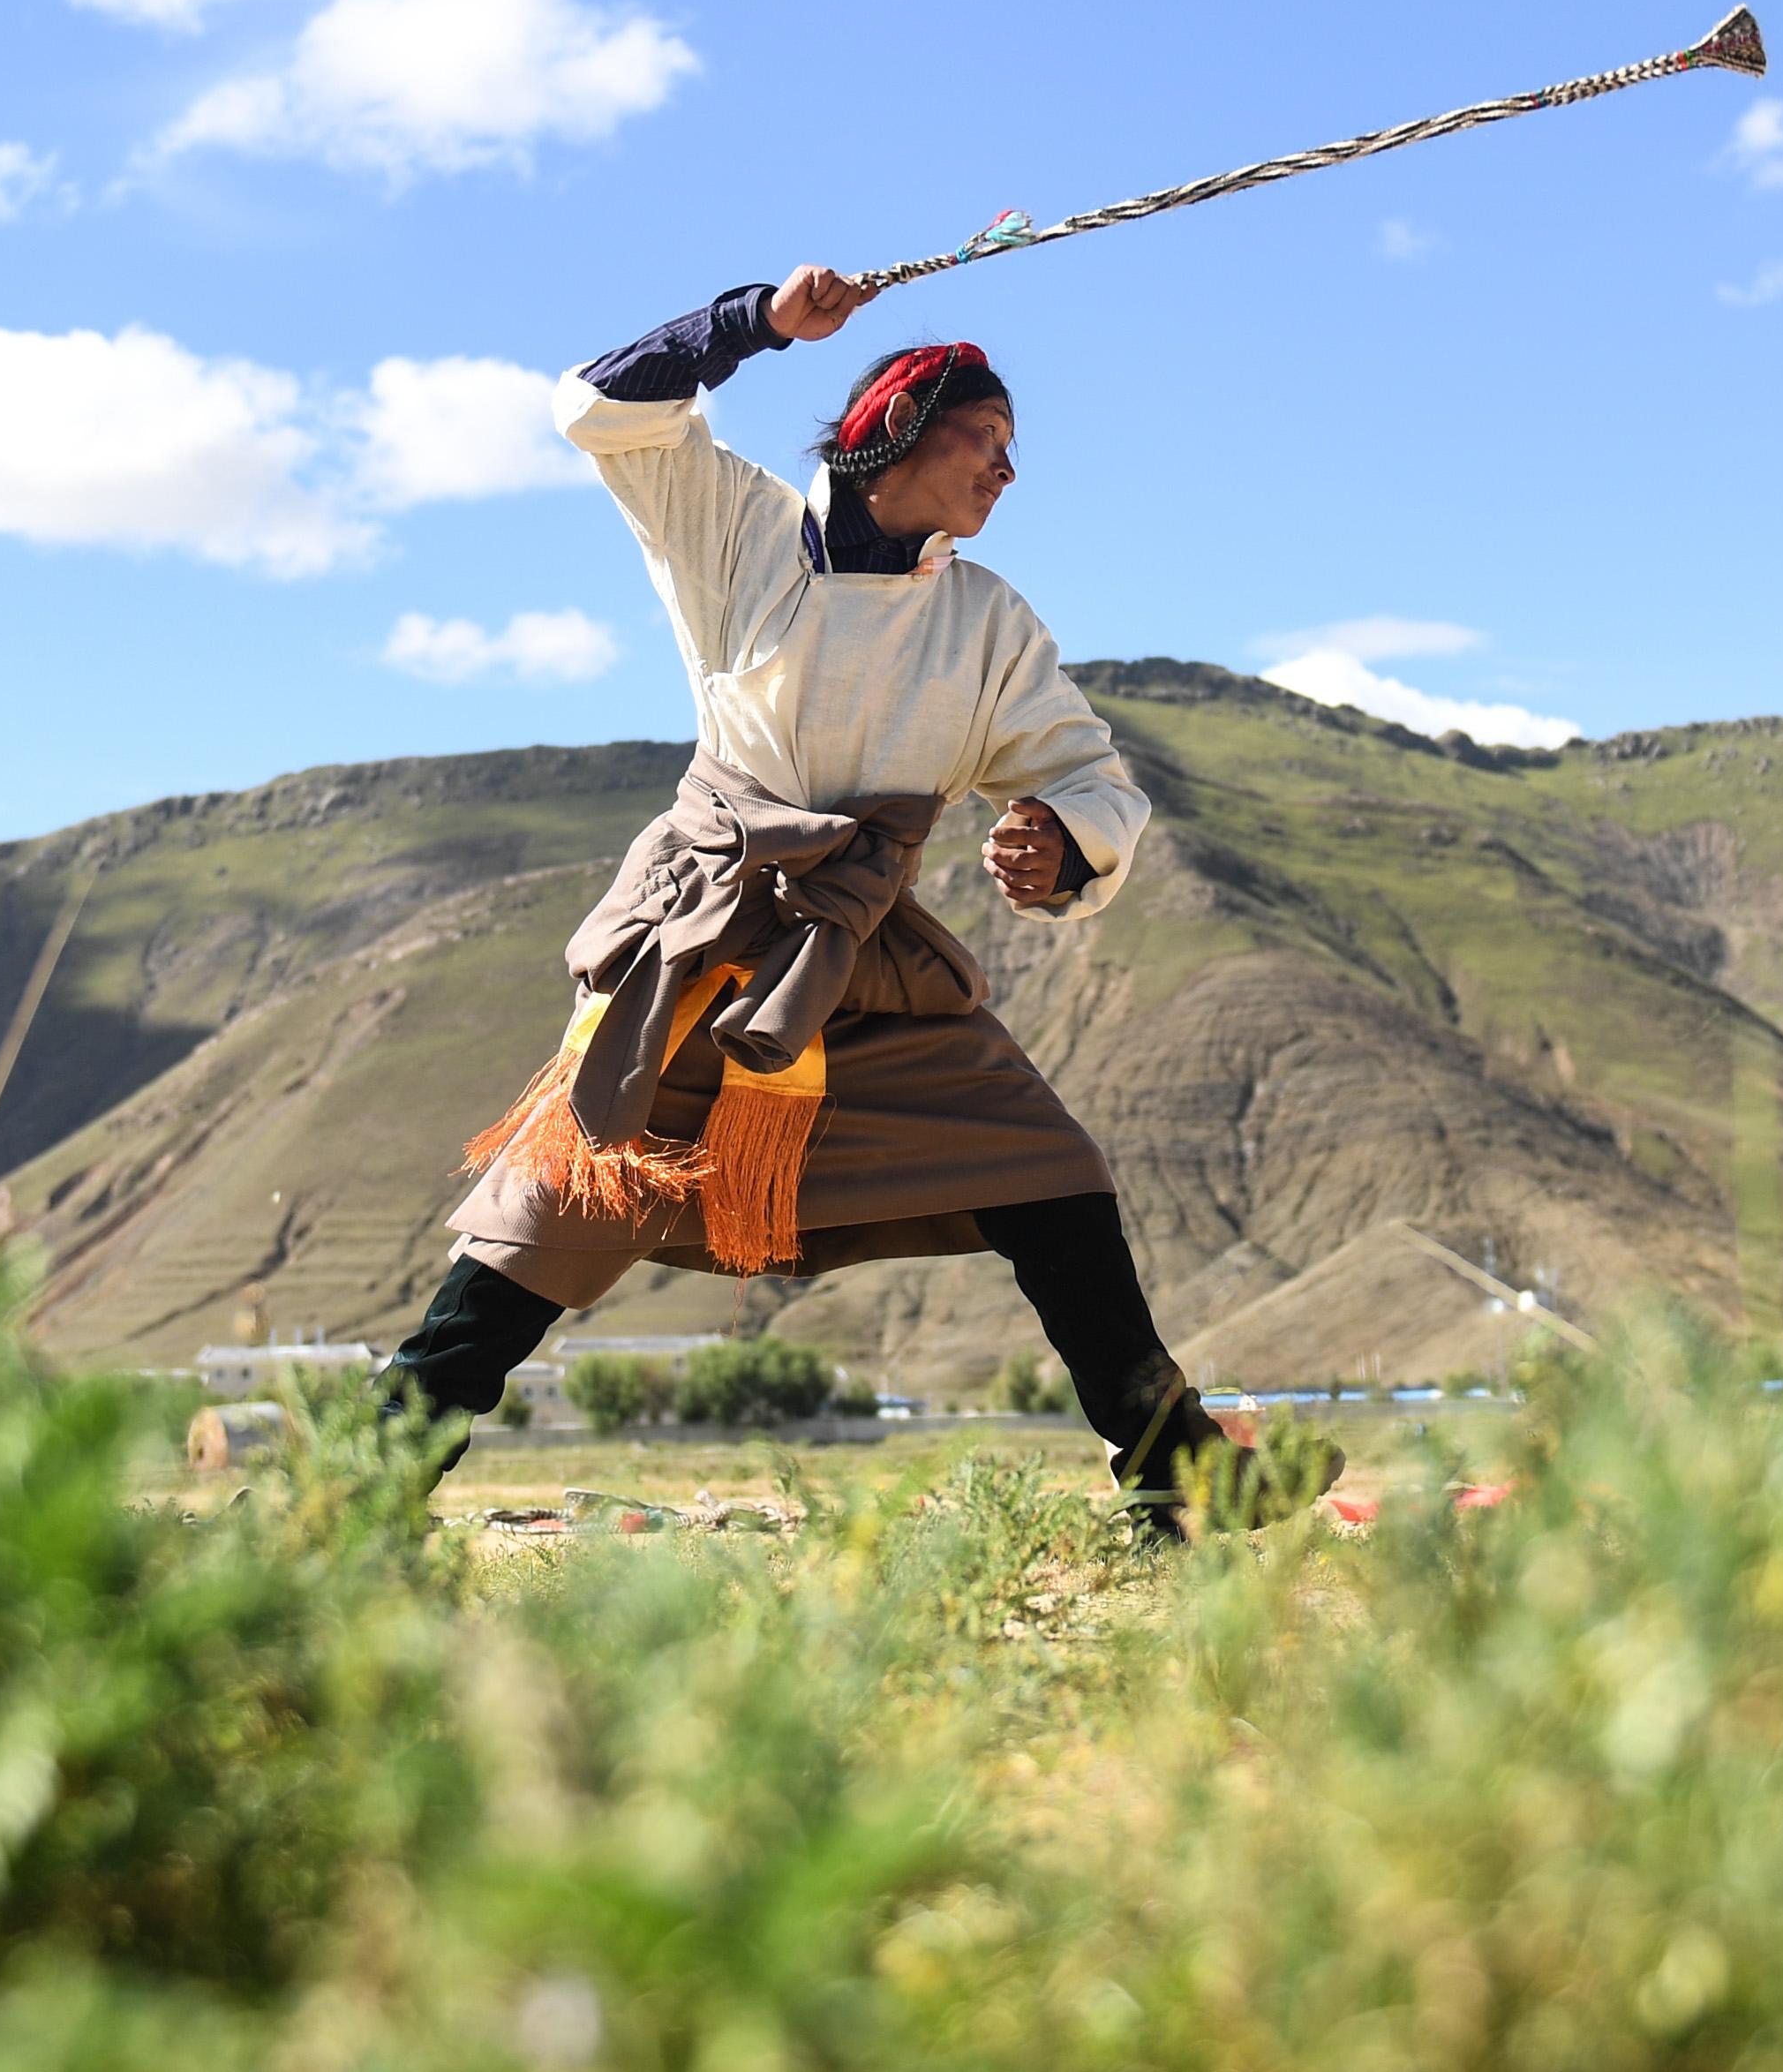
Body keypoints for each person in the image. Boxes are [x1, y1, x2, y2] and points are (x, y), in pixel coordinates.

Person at [380, 267, 1312, 1531]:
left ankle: (1182, 1475)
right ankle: (350, 1491)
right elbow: (597, 406)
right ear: (897, 431)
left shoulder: (986, 621)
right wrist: (759, 322)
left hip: (860, 958)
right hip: (704, 943)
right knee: (548, 1218)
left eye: (1011, 450)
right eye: (985, 440)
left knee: (1054, 1177)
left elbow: (1087, 774)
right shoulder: (736, 527)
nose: (1006, 471)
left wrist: (1059, 842)